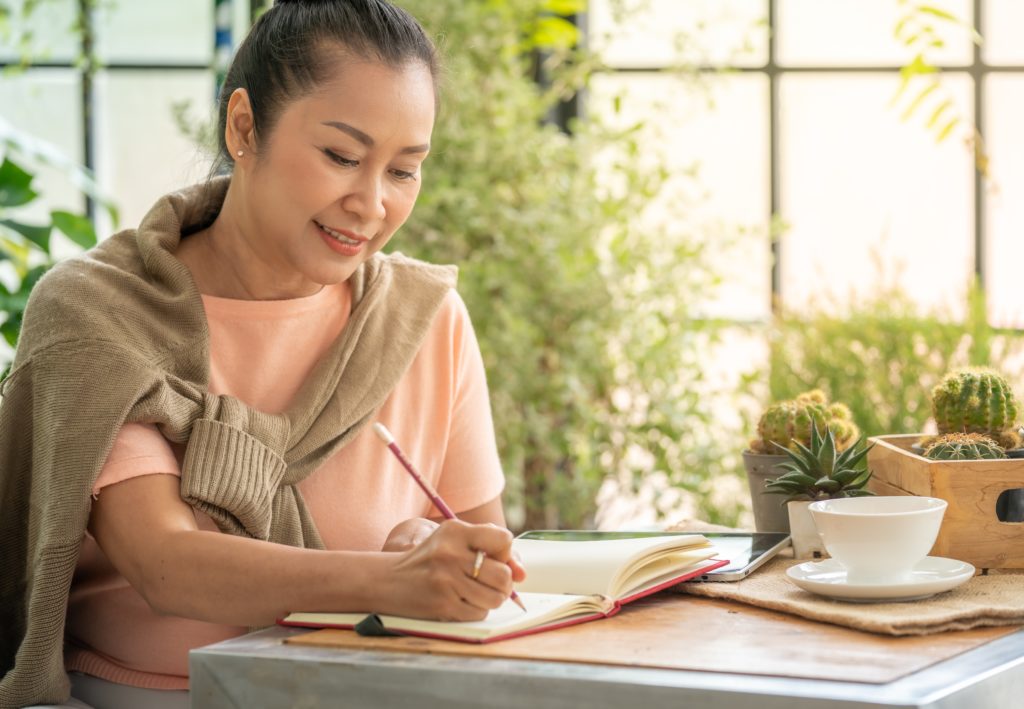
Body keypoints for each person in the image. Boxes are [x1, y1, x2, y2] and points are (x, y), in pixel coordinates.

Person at [0, 1, 525, 706]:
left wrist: (429, 543)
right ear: (244, 127)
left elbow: (484, 545)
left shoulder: (422, 318)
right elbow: (166, 565)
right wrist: (387, 579)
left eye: (403, 170)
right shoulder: (105, 314)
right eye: (341, 156)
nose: (371, 203)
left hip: (381, 689)